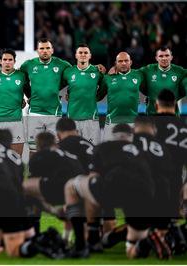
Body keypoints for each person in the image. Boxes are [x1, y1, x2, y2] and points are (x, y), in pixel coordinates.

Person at [63, 124, 171, 259]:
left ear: (113, 136)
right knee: (132, 251)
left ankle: (86, 243)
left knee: (73, 186)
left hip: (114, 188)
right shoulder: (143, 150)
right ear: (131, 137)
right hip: (144, 194)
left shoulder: (105, 147)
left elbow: (93, 179)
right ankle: (146, 241)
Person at [19, 39, 72, 154]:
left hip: (54, 111)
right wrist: (28, 95)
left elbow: (74, 77)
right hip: (35, 112)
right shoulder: (28, 65)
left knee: (55, 147)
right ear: (37, 51)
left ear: (52, 50)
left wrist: (69, 91)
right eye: (42, 48)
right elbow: (20, 80)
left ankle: (53, 172)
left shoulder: (62, 64)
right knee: (34, 148)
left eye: (48, 48)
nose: (45, 51)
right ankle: (34, 172)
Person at [153, 89, 187, 254]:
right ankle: (174, 234)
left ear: (156, 105)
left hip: (152, 183)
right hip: (176, 181)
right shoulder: (183, 126)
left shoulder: (149, 125)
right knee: (171, 216)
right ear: (175, 106)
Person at [97, 52, 145, 141]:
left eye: (126, 61)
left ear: (131, 62)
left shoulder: (139, 75)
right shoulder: (108, 78)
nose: (123, 63)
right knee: (110, 153)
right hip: (111, 122)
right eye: (120, 61)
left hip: (132, 122)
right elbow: (98, 96)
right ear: (115, 63)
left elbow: (148, 88)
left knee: (131, 153)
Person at [62, 44, 103, 144]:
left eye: (85, 53)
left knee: (92, 152)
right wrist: (68, 93)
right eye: (80, 52)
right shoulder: (68, 72)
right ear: (76, 55)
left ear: (90, 56)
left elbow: (104, 89)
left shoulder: (98, 72)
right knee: (72, 152)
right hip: (72, 119)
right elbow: (58, 86)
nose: (83, 55)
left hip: (91, 119)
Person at [0, 49, 28, 155]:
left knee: (17, 157)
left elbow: (29, 92)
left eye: (10, 59)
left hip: (16, 120)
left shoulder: (21, 76)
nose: (7, 62)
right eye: (5, 59)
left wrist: (25, 100)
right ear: (0, 61)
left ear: (14, 61)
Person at [139, 47, 186, 115]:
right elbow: (134, 74)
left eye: (167, 55)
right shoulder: (148, 69)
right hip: (152, 115)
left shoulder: (179, 71)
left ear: (171, 57)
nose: (164, 58)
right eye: (161, 56)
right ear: (156, 58)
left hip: (173, 116)